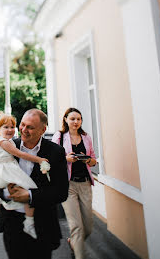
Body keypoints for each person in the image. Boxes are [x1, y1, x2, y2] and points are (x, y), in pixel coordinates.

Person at [0, 109, 69, 259]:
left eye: (30, 127)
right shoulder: (9, 145)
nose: (23, 130)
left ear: (43, 130)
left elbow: (61, 191)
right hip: (12, 223)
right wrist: (7, 193)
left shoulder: (55, 152)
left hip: (42, 225)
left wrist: (30, 196)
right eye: (22, 125)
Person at [0, 114, 49, 239]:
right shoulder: (4, 142)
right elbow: (20, 154)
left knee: (22, 190)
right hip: (6, 171)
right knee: (31, 188)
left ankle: (0, 208)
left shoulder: (4, 141)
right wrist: (39, 160)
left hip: (2, 170)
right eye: (5, 127)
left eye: (12, 126)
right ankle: (29, 222)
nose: (10, 129)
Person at [51, 108, 97, 259]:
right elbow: (51, 159)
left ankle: (73, 242)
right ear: (65, 119)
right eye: (72, 119)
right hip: (68, 185)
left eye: (79, 119)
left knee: (88, 227)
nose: (76, 122)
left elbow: (93, 161)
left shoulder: (86, 137)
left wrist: (87, 159)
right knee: (76, 226)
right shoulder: (60, 136)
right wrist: (66, 159)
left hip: (85, 184)